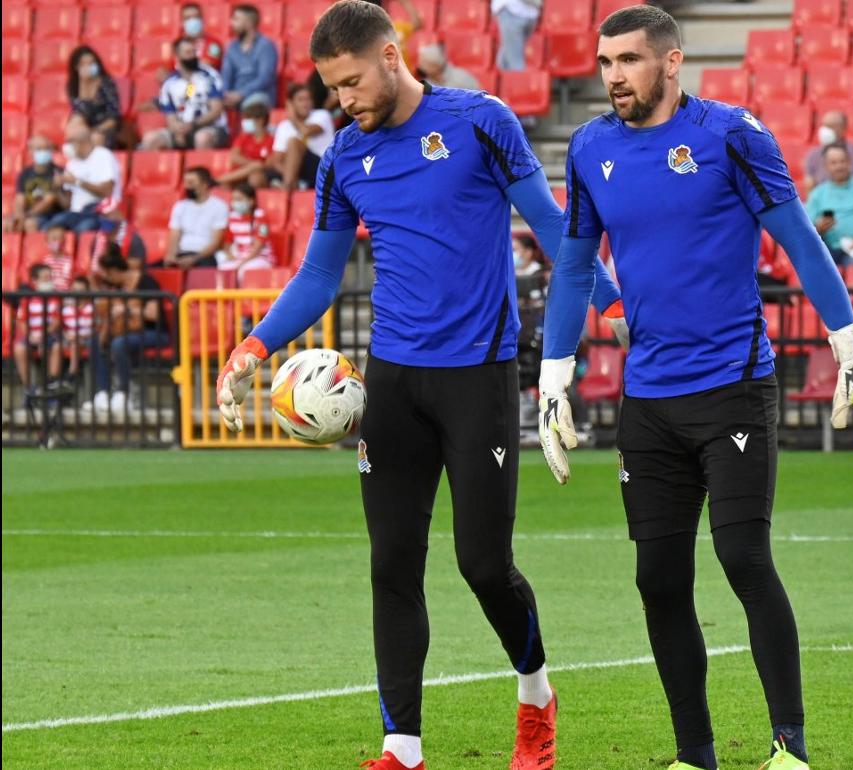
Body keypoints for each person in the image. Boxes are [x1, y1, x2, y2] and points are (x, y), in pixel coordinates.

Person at [213, 4, 626, 768]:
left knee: (481, 565)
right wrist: (253, 345)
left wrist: (610, 301)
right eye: (333, 89)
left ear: (391, 55)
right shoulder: (342, 158)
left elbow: (550, 221)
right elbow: (318, 276)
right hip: (394, 383)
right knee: (391, 562)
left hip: (479, 377)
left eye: (352, 82)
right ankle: (401, 747)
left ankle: (535, 695)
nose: (345, 100)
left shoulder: (481, 121)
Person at [535, 7, 853, 770]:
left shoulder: (734, 134)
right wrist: (554, 373)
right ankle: (695, 756)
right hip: (650, 401)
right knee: (657, 579)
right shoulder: (591, 146)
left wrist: (848, 339)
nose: (612, 76)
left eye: (628, 60)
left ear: (671, 63)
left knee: (742, 558)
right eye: (603, 61)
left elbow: (797, 235)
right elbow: (574, 263)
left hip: (733, 387)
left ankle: (789, 748)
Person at [89, 246, 170, 413]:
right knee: (97, 341)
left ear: (114, 271)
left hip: (154, 332)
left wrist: (126, 310)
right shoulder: (115, 287)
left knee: (119, 344)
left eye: (106, 274)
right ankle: (102, 393)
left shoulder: (146, 282)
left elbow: (153, 314)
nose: (105, 278)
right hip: (124, 331)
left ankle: (123, 393)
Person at [144, 37, 230, 150]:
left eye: (194, 52)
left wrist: (193, 125)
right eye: (188, 53)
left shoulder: (210, 76)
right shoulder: (170, 83)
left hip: (210, 127)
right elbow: (171, 117)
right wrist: (177, 130)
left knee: (202, 138)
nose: (192, 56)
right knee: (150, 139)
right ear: (178, 56)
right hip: (182, 129)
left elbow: (216, 110)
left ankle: (200, 167)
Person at [45, 122, 118, 234]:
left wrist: (77, 182)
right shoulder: (72, 164)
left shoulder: (103, 156)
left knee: (84, 228)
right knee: (51, 226)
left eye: (70, 141)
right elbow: (67, 204)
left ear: (82, 142)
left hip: (99, 212)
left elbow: (107, 192)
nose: (66, 146)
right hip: (75, 213)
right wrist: (58, 188)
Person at [14, 264, 64, 406]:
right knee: (19, 349)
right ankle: (29, 389)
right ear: (34, 281)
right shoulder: (27, 299)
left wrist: (43, 335)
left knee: (53, 347)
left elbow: (56, 322)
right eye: (45, 278)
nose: (49, 281)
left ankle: (51, 388)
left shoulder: (55, 298)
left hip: (48, 335)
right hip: (31, 335)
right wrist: (30, 335)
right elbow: (21, 321)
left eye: (50, 278)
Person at [272, 83, 337, 190]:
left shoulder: (322, 115)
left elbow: (306, 131)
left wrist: (292, 118)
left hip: (323, 166)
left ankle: (287, 188)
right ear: (291, 103)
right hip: (297, 171)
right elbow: (277, 161)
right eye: (301, 100)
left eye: (308, 99)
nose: (305, 104)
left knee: (294, 142)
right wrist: (293, 175)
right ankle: (292, 184)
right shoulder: (283, 126)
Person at [163, 167, 229, 269]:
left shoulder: (219, 206)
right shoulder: (180, 206)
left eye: (191, 182)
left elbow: (216, 242)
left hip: (204, 256)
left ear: (205, 185)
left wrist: (194, 259)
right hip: (182, 253)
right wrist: (171, 255)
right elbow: (175, 234)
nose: (186, 186)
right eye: (185, 182)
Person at [221, 3, 279, 109]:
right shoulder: (231, 47)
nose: (231, 23)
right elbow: (226, 76)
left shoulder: (266, 45)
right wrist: (224, 94)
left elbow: (264, 78)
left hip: (258, 95)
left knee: (254, 103)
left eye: (236, 19)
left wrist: (241, 94)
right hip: (233, 96)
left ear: (249, 23)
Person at [802, 110, 853, 192]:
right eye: (823, 125)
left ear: (843, 129)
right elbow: (810, 186)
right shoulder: (813, 155)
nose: (824, 130)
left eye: (830, 126)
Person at [67, 46, 122, 148]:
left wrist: (94, 131)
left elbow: (113, 117)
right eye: (83, 64)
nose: (88, 66)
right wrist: (85, 84)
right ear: (77, 67)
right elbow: (81, 111)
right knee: (75, 121)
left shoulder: (106, 83)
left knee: (95, 138)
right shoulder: (74, 85)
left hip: (105, 127)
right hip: (85, 128)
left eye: (91, 63)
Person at [6, 136, 63, 233]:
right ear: (30, 151)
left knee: (30, 224)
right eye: (39, 149)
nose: (43, 152)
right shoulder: (25, 173)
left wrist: (26, 215)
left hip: (48, 215)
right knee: (7, 224)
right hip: (27, 214)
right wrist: (19, 215)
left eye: (46, 149)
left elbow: (49, 201)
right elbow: (19, 199)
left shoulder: (58, 172)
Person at [218, 182, 274, 276]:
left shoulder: (261, 217)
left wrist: (242, 263)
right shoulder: (232, 218)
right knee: (223, 268)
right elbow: (227, 244)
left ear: (251, 201)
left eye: (239, 199)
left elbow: (258, 246)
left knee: (244, 271)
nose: (235, 202)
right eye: (234, 199)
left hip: (260, 259)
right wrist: (230, 256)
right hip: (240, 258)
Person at [219, 101, 279, 188]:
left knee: (255, 178)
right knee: (226, 185)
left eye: (248, 119)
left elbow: (267, 165)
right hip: (240, 172)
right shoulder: (243, 137)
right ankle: (223, 180)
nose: (244, 122)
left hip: (260, 175)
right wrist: (253, 165)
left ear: (260, 120)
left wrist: (256, 166)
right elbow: (234, 157)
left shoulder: (272, 140)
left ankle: (220, 179)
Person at [62, 274, 95, 384]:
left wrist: (80, 336)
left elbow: (96, 330)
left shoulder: (92, 308)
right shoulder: (65, 309)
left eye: (81, 290)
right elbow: (61, 328)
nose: (77, 293)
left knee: (76, 343)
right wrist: (66, 335)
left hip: (86, 339)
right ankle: (53, 380)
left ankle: (71, 374)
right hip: (67, 339)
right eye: (75, 290)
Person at [493, 0, 541, 71]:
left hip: (521, 12)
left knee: (511, 61)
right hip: (515, 10)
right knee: (510, 61)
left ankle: (516, 81)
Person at [417, 43, 481, 90]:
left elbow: (479, 98)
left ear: (436, 66)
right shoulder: (426, 84)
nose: (420, 66)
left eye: (425, 63)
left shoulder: (461, 77)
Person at [39, 224, 75, 291]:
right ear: (47, 241)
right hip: (50, 291)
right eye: (53, 238)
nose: (57, 241)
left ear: (64, 241)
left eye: (60, 238)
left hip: (65, 292)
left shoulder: (69, 260)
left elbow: (71, 279)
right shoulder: (45, 260)